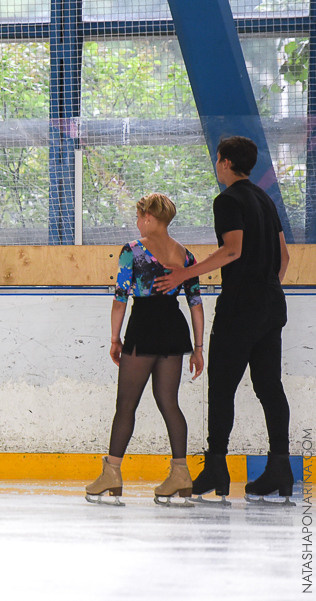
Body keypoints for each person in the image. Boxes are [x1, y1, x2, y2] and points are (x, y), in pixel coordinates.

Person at [155, 136, 292, 503]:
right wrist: (266, 288)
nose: (217, 164)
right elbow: (284, 258)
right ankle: (281, 466)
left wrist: (184, 274)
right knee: (269, 386)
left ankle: (217, 466)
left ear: (226, 163)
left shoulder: (228, 200)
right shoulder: (266, 200)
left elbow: (232, 250)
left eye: (218, 159)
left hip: (240, 308)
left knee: (221, 388)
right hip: (271, 306)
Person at [85, 193, 205, 506]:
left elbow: (120, 298)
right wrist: (198, 347)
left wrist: (115, 338)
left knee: (126, 404)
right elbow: (195, 303)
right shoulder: (186, 255)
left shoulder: (133, 250)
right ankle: (181, 473)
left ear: (149, 218)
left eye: (139, 217)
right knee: (169, 402)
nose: (137, 223)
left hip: (144, 327)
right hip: (174, 329)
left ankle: (112, 473)